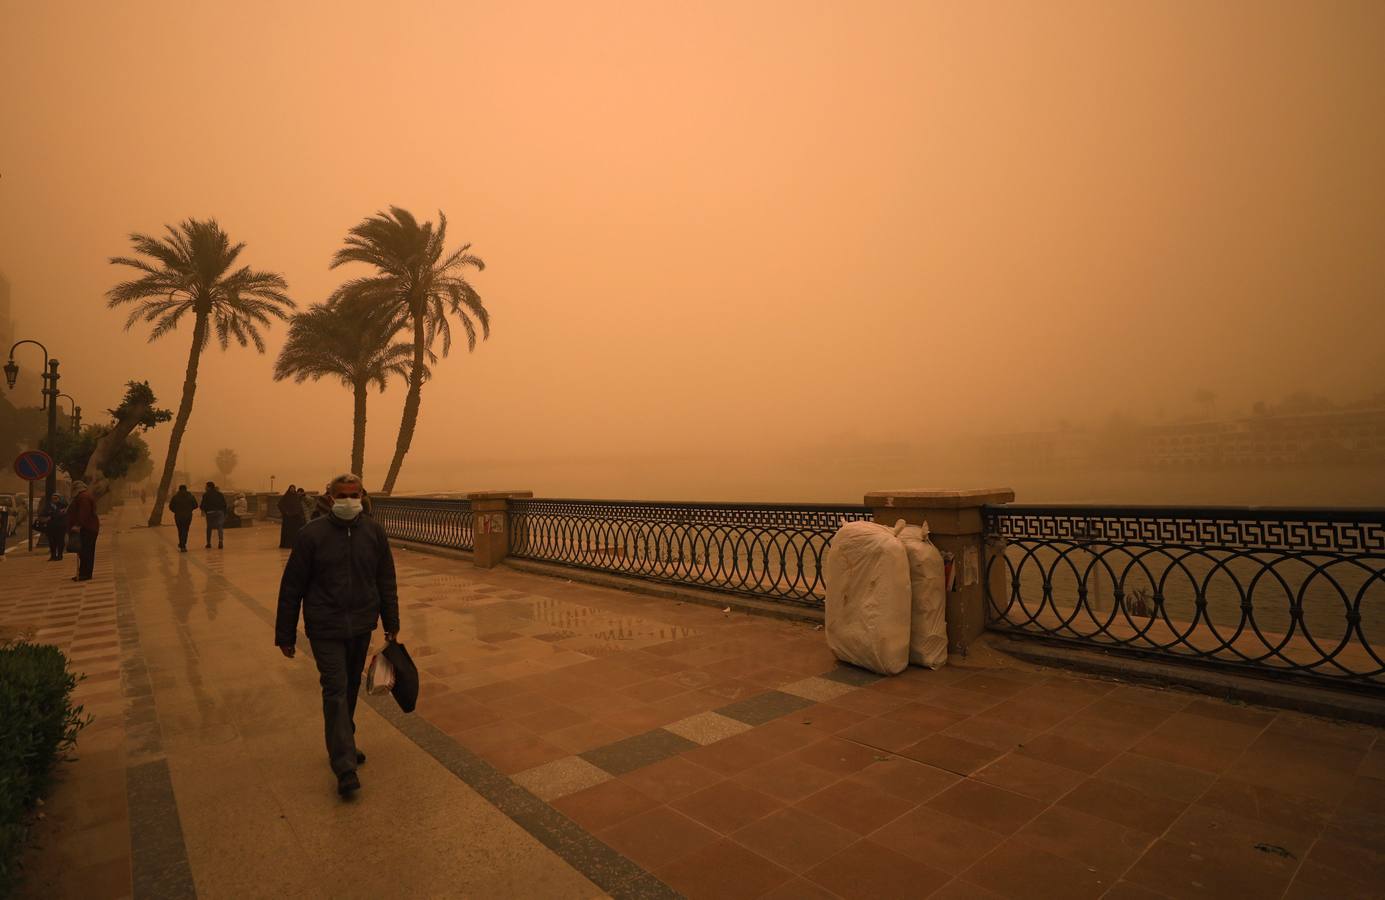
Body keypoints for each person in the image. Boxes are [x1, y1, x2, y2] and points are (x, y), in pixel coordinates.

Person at [275, 473, 399, 798]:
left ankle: (345, 740)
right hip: (325, 626)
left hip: (361, 624)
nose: (348, 501)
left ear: (362, 496)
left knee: (351, 687)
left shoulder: (373, 532)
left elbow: (386, 580)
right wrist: (285, 633)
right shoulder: (311, 535)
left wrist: (391, 623)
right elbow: (292, 586)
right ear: (330, 498)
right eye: (342, 495)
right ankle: (344, 766)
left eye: (354, 495)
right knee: (335, 688)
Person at [68, 481, 100, 582]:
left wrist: (78, 525)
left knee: (86, 552)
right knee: (84, 552)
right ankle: (82, 573)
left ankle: (85, 574)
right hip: (88, 528)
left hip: (87, 528)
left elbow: (84, 512)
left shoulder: (83, 497)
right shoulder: (83, 496)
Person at [169, 485, 199, 551]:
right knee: (185, 530)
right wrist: (190, 509)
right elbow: (196, 505)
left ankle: (181, 543)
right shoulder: (191, 496)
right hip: (188, 516)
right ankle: (183, 544)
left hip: (178, 516)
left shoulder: (175, 497)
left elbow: (171, 506)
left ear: (179, 489)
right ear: (186, 489)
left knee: (180, 530)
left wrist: (176, 511)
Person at [201, 481, 228, 549]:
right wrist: (224, 513)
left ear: (209, 487)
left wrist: (204, 511)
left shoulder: (206, 494)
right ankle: (220, 541)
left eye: (206, 486)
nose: (205, 487)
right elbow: (224, 504)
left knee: (209, 527)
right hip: (219, 512)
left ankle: (208, 543)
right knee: (220, 527)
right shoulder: (220, 494)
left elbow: (202, 505)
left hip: (210, 513)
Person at [43, 493, 69, 561]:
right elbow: (44, 513)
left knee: (60, 541)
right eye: (53, 498)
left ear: (59, 499)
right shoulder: (48, 506)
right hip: (51, 526)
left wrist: (52, 515)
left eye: (56, 498)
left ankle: (60, 555)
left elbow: (63, 514)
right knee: (52, 542)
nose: (54, 499)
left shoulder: (63, 505)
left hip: (60, 526)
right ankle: (53, 555)